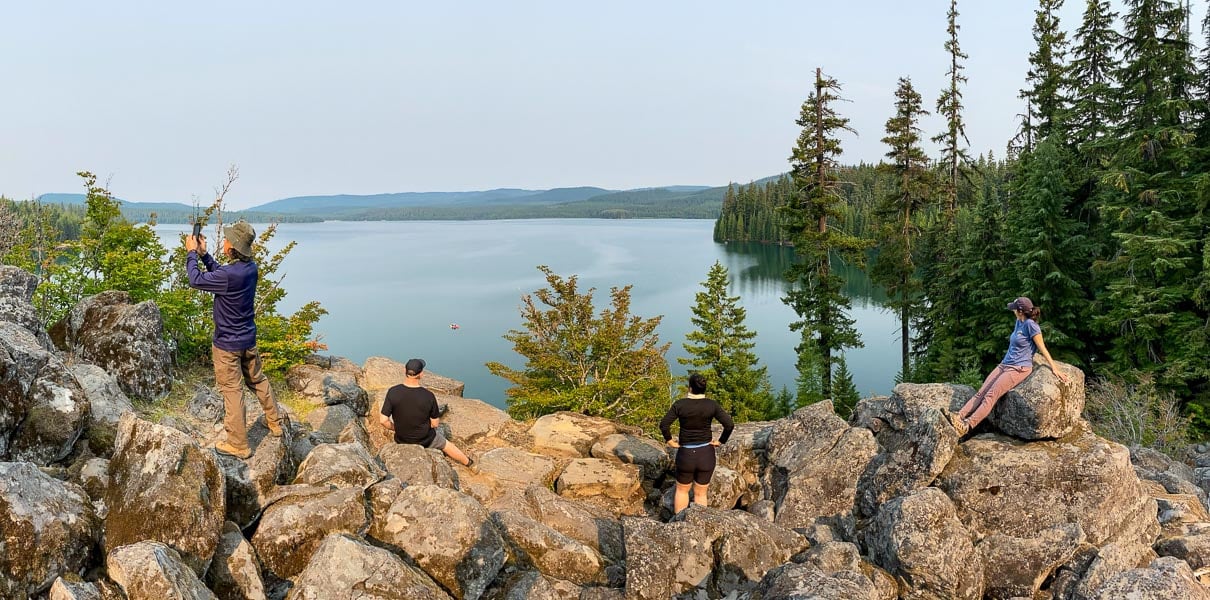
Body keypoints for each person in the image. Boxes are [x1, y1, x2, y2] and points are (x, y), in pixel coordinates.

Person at [186, 221, 285, 459]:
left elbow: (195, 279)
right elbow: (221, 274)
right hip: (247, 339)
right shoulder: (250, 268)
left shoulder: (229, 275)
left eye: (227, 239)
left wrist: (191, 252)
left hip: (227, 345)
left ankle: (239, 444)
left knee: (231, 389)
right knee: (257, 379)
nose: (224, 241)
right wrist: (205, 254)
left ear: (232, 248)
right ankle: (275, 422)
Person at [948, 296, 1070, 437]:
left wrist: (1054, 368)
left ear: (1020, 311)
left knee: (990, 395)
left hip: (1019, 368)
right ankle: (959, 416)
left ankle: (967, 425)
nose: (1012, 310)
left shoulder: (1032, 326)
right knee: (981, 392)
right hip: (1004, 364)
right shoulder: (1019, 321)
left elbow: (1042, 347)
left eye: (1014, 308)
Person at [378, 358, 477, 471]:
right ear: (421, 374)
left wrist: (397, 428)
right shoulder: (428, 396)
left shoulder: (393, 392)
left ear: (405, 371)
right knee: (446, 445)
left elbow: (383, 420)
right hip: (425, 440)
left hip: (401, 439)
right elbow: (435, 424)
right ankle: (469, 463)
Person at [660, 372, 734, 514]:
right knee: (701, 494)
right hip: (706, 454)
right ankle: (699, 525)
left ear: (690, 388)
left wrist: (670, 441)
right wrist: (720, 441)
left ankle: (679, 526)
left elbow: (664, 424)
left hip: (686, 454)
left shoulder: (680, 405)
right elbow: (729, 425)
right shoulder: (711, 405)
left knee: (682, 491)